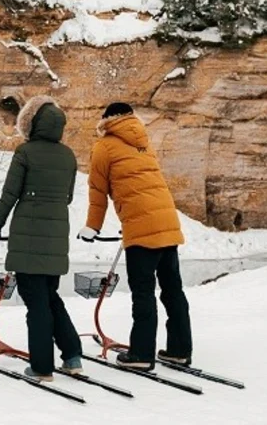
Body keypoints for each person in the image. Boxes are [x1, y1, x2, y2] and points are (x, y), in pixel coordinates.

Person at [78, 102, 192, 369]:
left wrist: (92, 227)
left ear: (106, 120)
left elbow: (97, 191)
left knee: (143, 293)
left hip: (142, 231)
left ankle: (141, 355)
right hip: (167, 223)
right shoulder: (144, 143)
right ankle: (180, 349)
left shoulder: (104, 147)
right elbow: (144, 184)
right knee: (173, 290)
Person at [0, 96, 83, 382]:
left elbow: (10, 193)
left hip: (28, 241)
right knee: (50, 297)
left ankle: (42, 366)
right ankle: (72, 356)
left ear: (30, 123)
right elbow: (66, 197)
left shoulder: (25, 152)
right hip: (56, 239)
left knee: (36, 302)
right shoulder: (68, 156)